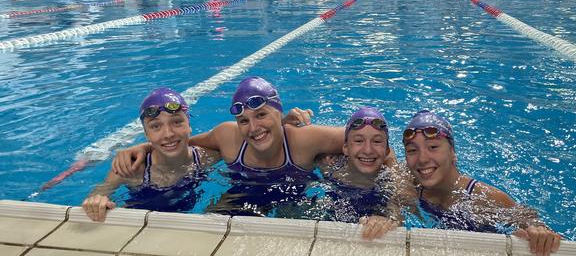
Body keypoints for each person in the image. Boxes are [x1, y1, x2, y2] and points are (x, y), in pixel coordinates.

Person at [112, 77, 345, 217]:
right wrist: (145, 147)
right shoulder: (227, 136)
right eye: (244, 120)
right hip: (243, 195)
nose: (253, 127)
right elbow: (181, 142)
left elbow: (367, 140)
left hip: (297, 197)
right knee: (207, 228)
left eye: (262, 115)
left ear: (280, 113)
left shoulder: (306, 138)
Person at [396, 110, 562, 255]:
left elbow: (528, 218)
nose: (422, 159)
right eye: (412, 150)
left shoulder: (483, 197)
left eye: (433, 147)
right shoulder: (409, 183)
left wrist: (538, 231)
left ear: (453, 152)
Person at [82, 88, 220, 222]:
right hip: (139, 224)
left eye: (177, 122)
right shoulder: (132, 168)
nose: (168, 134)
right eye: (156, 126)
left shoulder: (206, 158)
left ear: (189, 125)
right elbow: (99, 193)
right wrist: (97, 200)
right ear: (146, 134)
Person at [312, 107, 398, 228]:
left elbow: (397, 210)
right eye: (358, 141)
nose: (368, 150)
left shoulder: (392, 179)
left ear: (387, 150)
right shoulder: (329, 167)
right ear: (346, 148)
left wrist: (387, 220)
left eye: (377, 141)